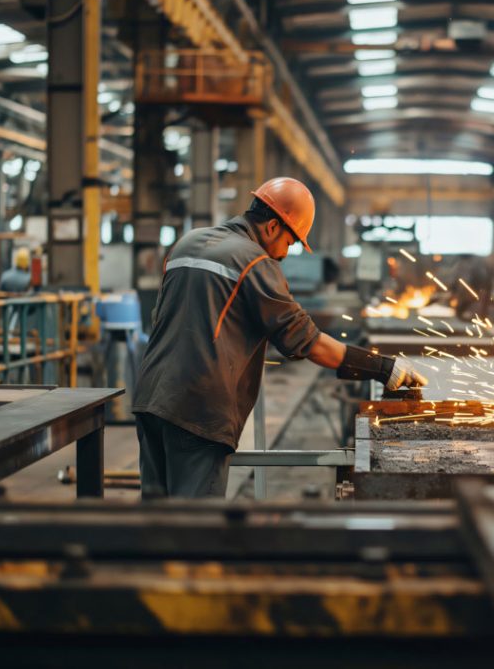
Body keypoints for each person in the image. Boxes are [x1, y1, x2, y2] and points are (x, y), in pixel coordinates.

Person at [132, 177, 428, 498]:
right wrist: (384, 368)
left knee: (156, 519)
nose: (286, 254)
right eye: (291, 242)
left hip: (150, 398)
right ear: (273, 226)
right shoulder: (256, 261)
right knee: (196, 528)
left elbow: (167, 319)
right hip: (198, 409)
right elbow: (309, 342)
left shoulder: (186, 243)